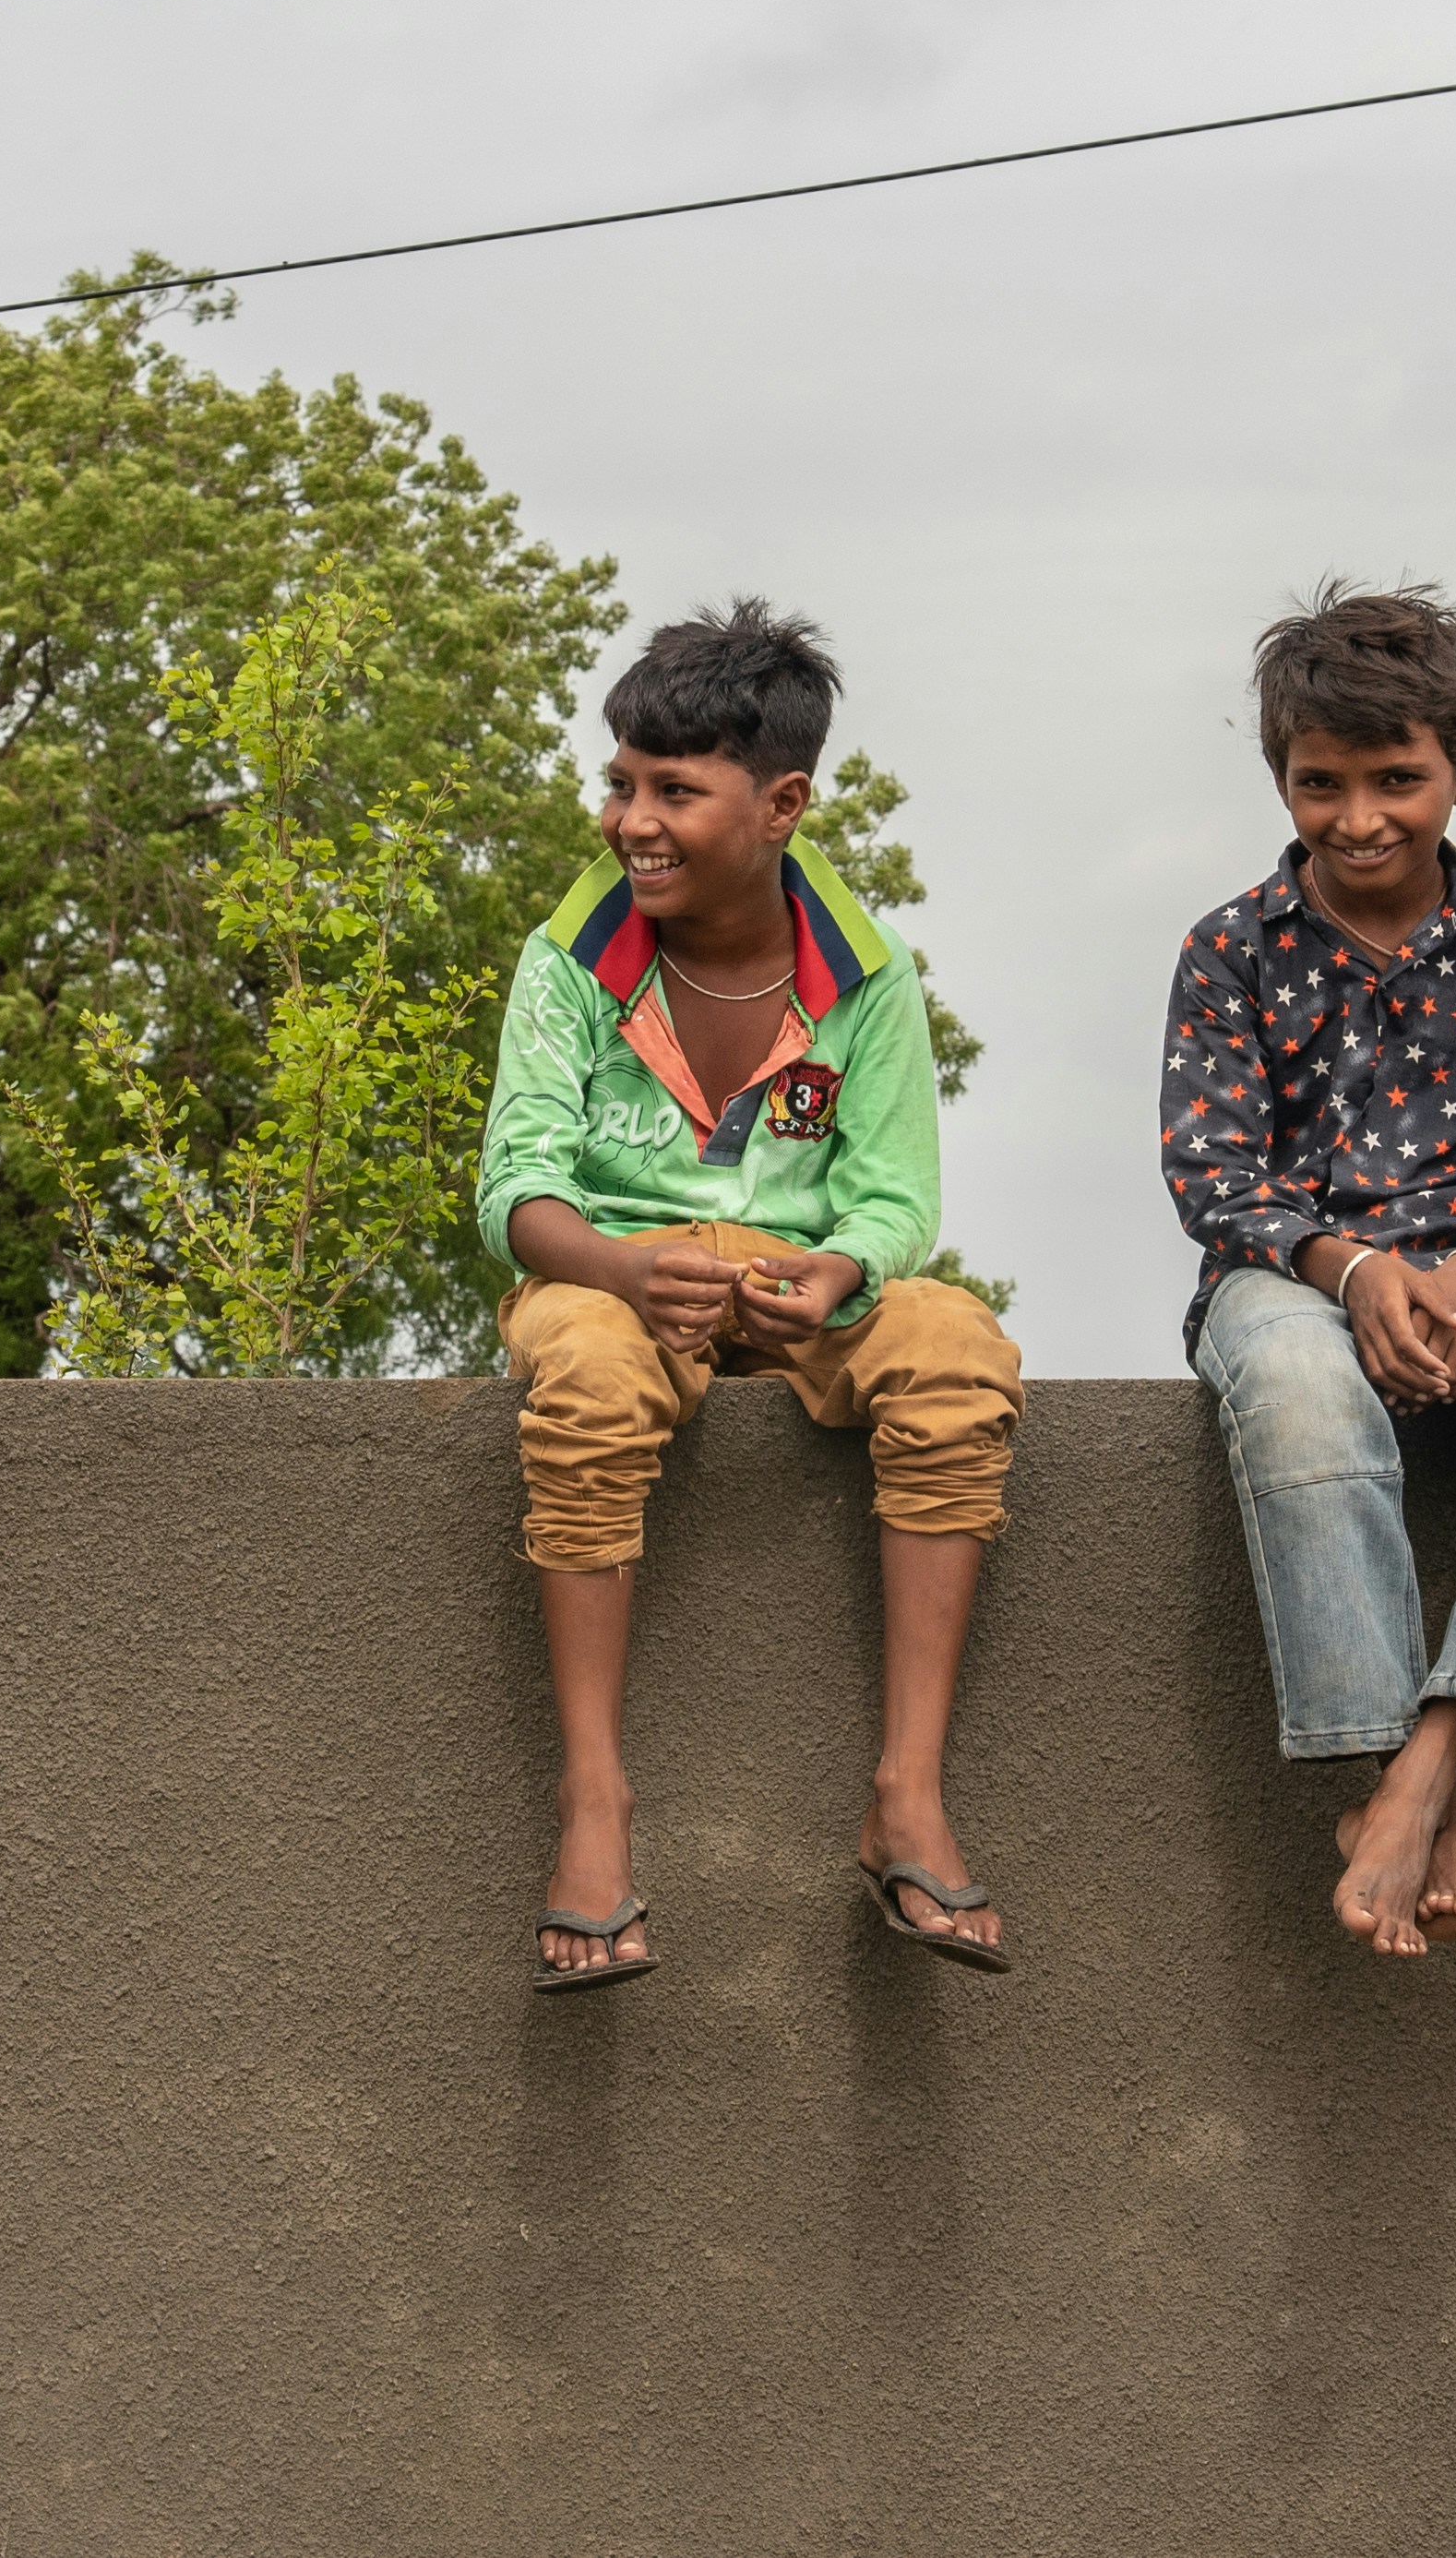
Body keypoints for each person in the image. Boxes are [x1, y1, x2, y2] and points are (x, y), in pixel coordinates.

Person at [478, 600, 1025, 1990]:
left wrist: (839, 1272)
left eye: (674, 791)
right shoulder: (568, 965)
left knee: (959, 1354)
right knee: (588, 1390)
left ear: (781, 803)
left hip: (800, 1292)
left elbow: (895, 1197)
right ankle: (593, 1802)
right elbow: (515, 1194)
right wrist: (616, 1266)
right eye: (619, 783)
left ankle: (906, 1789)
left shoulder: (867, 977)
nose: (630, 821)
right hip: (610, 1278)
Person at [1159, 583, 1456, 1956]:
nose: (1357, 816)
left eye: (1396, 780)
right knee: (1301, 1400)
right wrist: (1350, 1266)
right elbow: (1211, 1170)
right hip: (1288, 1271)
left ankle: (1429, 1760)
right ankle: (1390, 1780)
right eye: (1321, 783)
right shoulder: (1230, 949)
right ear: (1280, 780)